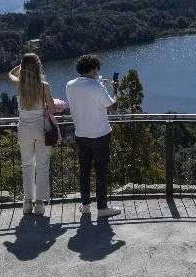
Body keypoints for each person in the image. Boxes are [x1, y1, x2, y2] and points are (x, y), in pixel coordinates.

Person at [65, 54, 121, 218]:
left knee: (84, 171)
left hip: (81, 134)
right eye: (97, 68)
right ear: (93, 69)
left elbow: (85, 98)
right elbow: (113, 108)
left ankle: (86, 206)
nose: (98, 71)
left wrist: (98, 86)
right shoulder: (97, 87)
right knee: (101, 171)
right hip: (100, 135)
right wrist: (115, 89)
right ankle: (102, 208)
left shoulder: (70, 85)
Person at [8, 53, 64, 216]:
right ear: (38, 66)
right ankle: (39, 204)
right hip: (41, 127)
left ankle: (27, 203)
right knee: (42, 165)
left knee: (27, 165)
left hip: (24, 128)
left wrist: (20, 67)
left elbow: (9, 74)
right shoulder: (43, 85)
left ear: (23, 68)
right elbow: (52, 109)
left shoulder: (18, 85)